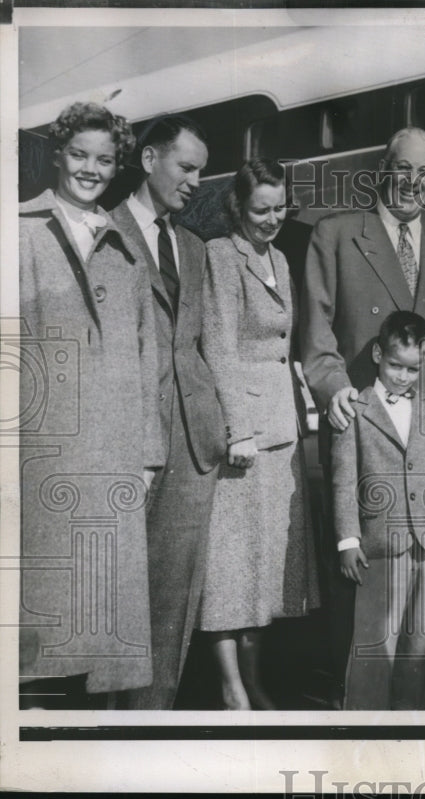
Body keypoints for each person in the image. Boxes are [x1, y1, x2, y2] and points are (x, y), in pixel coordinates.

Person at [299, 126, 425, 705]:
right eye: (403, 169)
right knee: (363, 590)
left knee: (416, 612)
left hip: (420, 446)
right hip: (359, 424)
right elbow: (316, 327)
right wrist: (333, 386)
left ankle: (403, 723)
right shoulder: (338, 235)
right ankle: (354, 716)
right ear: (383, 170)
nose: (412, 183)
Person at [18, 102, 163, 704]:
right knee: (45, 639)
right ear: (58, 154)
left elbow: (146, 353)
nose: (90, 169)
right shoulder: (20, 229)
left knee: (105, 630)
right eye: (79, 155)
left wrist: (149, 450)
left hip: (116, 453)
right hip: (44, 454)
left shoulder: (124, 244)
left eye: (104, 160)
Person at [112, 116, 227, 709]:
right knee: (114, 597)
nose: (196, 182)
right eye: (187, 167)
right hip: (129, 438)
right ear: (149, 158)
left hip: (193, 442)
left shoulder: (195, 248)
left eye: (202, 170)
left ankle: (148, 727)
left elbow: (207, 344)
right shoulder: (103, 233)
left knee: (172, 599)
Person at [197, 159, 320, 710]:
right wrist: (236, 430)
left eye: (279, 208)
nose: (272, 219)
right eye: (260, 210)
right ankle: (231, 689)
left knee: (268, 566)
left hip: (282, 428)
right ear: (237, 209)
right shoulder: (222, 256)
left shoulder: (280, 257)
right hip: (244, 437)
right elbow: (218, 345)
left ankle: (255, 681)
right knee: (232, 564)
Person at [329, 311, 425, 710]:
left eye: (412, 369)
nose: (403, 377)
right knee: (375, 642)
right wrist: (348, 540)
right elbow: (342, 479)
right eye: (394, 366)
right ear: (377, 354)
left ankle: (407, 727)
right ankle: (363, 730)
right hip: (378, 547)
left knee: (417, 643)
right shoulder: (355, 409)